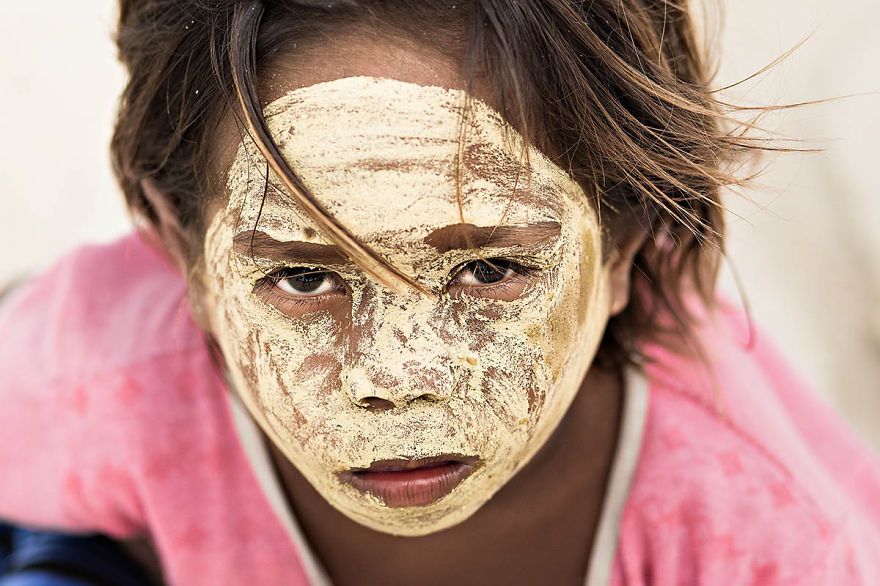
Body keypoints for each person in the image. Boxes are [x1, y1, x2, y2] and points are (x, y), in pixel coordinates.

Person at [1, 0, 879, 584]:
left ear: (625, 249)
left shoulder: (763, 531)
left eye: (491, 270)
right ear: (182, 250)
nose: (395, 375)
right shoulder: (107, 379)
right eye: (303, 276)